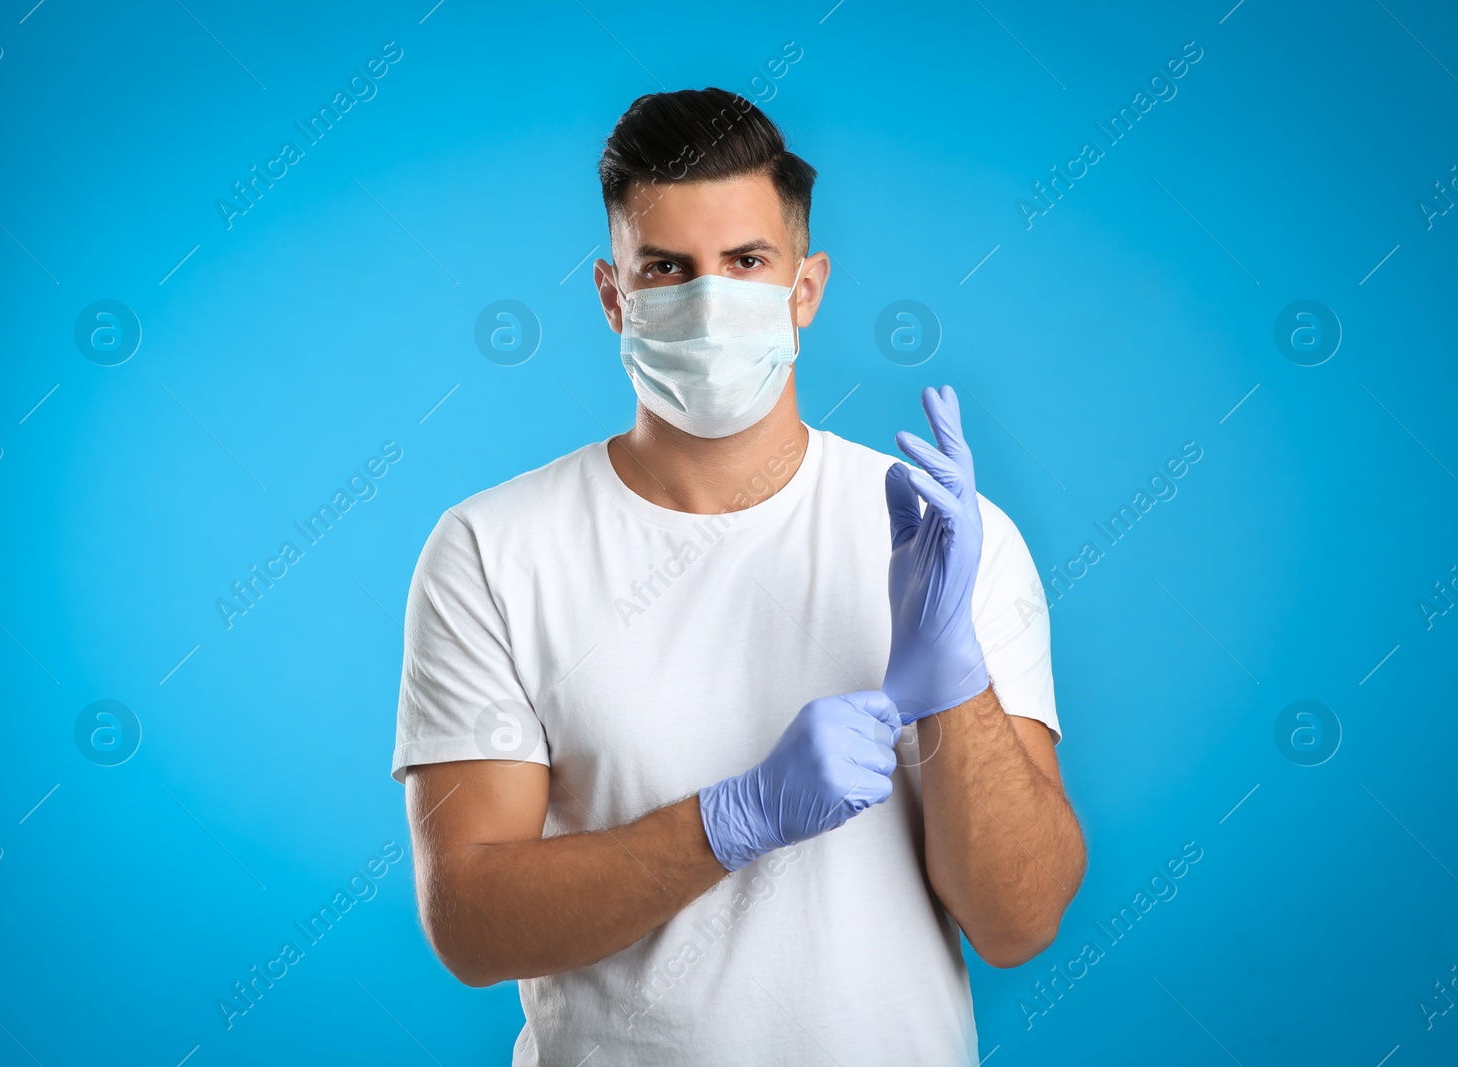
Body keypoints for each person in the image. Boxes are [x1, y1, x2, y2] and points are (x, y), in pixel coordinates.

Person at [392, 86, 1086, 1066]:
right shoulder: (492, 549)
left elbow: (1019, 922)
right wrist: (732, 820)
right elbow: (470, 921)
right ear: (611, 294)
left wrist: (955, 678)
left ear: (804, 288)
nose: (709, 300)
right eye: (667, 269)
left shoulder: (946, 537)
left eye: (746, 262)